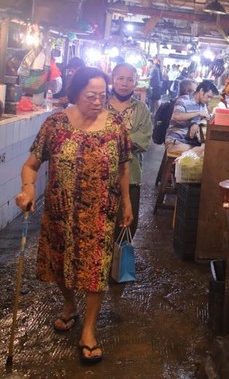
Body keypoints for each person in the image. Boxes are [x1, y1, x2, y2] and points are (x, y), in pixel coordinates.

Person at [15, 67, 132, 365]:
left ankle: (89, 329)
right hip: (60, 212)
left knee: (96, 269)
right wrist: (28, 190)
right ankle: (70, 304)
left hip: (100, 211)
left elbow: (122, 166)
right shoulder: (55, 124)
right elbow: (30, 165)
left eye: (102, 96)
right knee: (60, 265)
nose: (97, 102)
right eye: (90, 96)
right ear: (75, 94)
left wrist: (127, 203)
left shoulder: (116, 124)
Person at [108, 62, 152, 239]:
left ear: (135, 82)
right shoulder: (101, 104)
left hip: (131, 174)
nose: (125, 83)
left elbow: (144, 138)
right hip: (100, 174)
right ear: (113, 80)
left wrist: (112, 140)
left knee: (126, 223)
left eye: (129, 79)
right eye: (120, 78)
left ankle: (118, 265)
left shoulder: (141, 109)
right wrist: (128, 138)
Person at [165, 80, 217, 155]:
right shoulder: (184, 100)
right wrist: (198, 113)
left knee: (207, 149)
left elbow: (205, 119)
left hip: (189, 142)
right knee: (203, 153)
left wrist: (196, 124)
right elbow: (177, 116)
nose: (209, 100)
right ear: (201, 91)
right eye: (208, 96)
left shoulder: (203, 104)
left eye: (211, 98)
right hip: (175, 141)